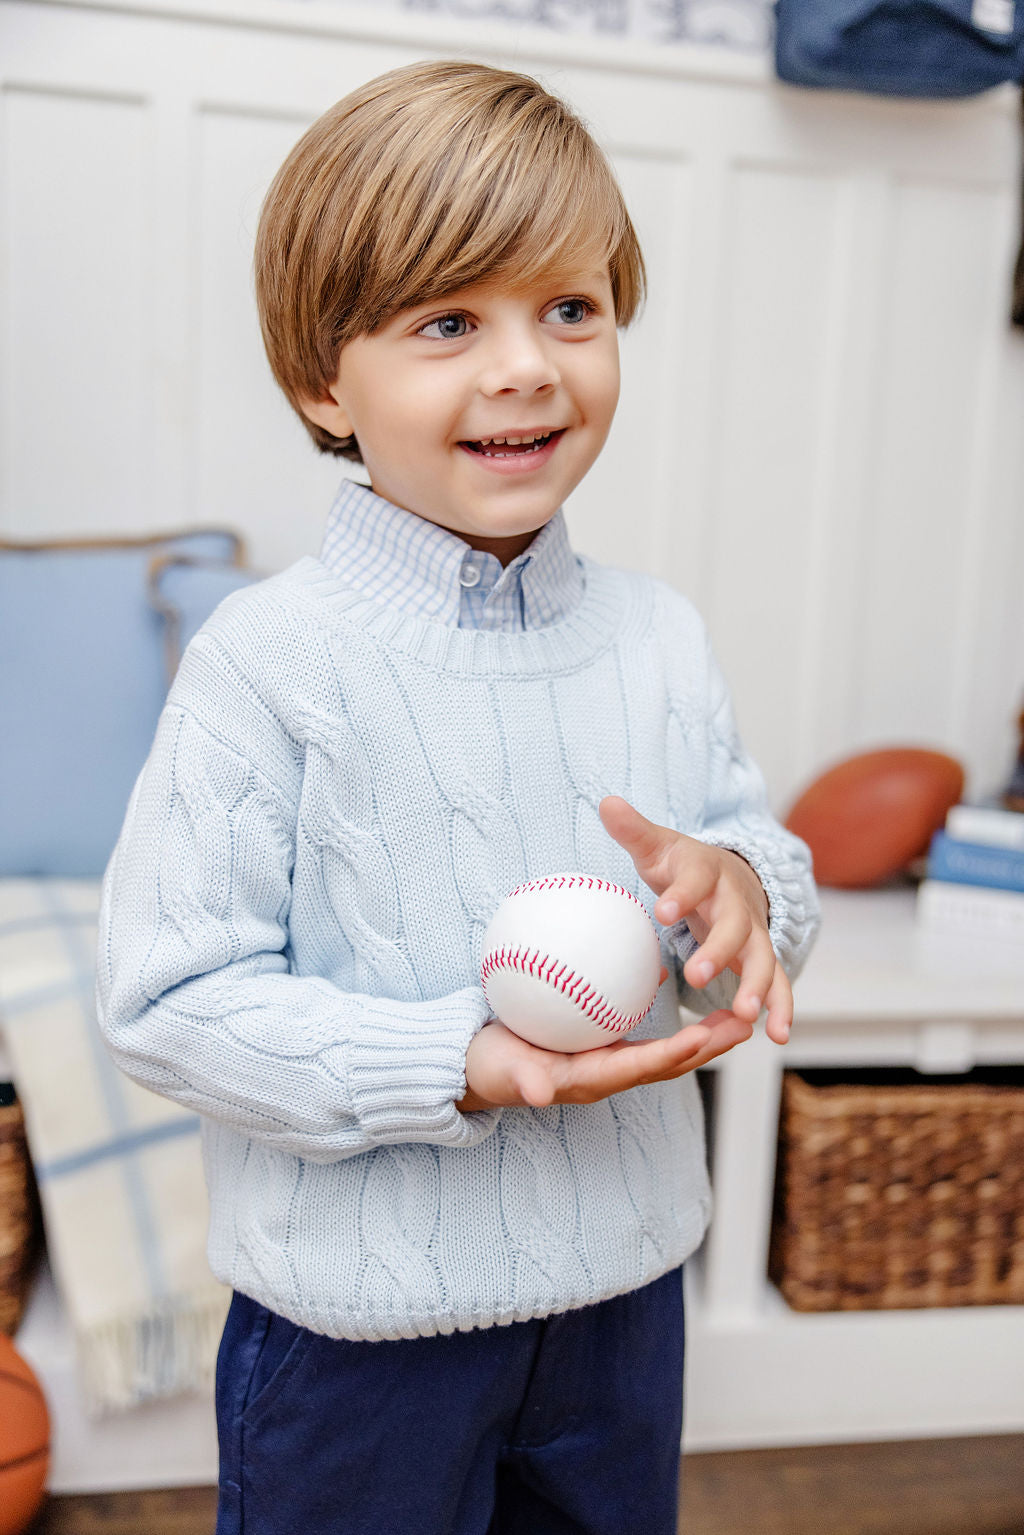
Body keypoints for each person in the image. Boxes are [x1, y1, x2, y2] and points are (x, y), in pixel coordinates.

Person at [96, 59, 820, 1535]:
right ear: (323, 380)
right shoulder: (270, 661)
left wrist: (745, 889)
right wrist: (458, 1062)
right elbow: (167, 998)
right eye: (448, 322)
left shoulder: (658, 636)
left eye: (572, 308)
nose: (527, 368)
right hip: (357, 1342)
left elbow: (749, 848)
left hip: (623, 1308)